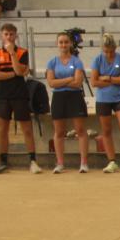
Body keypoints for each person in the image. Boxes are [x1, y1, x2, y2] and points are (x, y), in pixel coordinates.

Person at [0, 23, 37, 174]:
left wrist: (12, 54)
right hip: (3, 96)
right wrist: (14, 74)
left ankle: (33, 161)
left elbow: (19, 69)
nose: (9, 37)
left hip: (20, 95)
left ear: (16, 36)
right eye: (6, 34)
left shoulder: (22, 52)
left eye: (11, 34)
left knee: (27, 129)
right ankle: (3, 161)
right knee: (2, 129)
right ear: (1, 36)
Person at [45, 30, 88, 174]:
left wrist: (61, 82)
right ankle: (60, 163)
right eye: (61, 42)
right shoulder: (52, 62)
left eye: (66, 42)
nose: (63, 44)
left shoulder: (77, 61)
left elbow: (77, 83)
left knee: (80, 130)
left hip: (75, 97)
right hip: (58, 98)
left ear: (70, 43)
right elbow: (51, 83)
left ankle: (83, 163)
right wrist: (68, 79)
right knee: (59, 131)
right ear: (57, 44)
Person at [91, 34, 120, 174]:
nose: (109, 53)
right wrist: (116, 79)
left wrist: (108, 78)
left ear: (115, 48)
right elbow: (94, 82)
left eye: (111, 50)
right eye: (106, 51)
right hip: (103, 99)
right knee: (106, 130)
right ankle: (112, 161)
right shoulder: (97, 60)